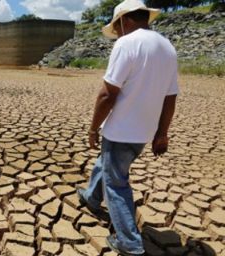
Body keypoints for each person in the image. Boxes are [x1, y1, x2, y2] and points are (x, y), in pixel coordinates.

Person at [77, 0, 179, 255]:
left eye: (117, 27)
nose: (118, 33)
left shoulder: (127, 43)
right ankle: (91, 196)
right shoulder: (167, 47)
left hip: (120, 131)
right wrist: (162, 133)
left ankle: (129, 242)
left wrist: (93, 129)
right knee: (108, 164)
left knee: (117, 183)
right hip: (143, 133)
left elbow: (107, 95)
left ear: (125, 20)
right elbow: (170, 97)